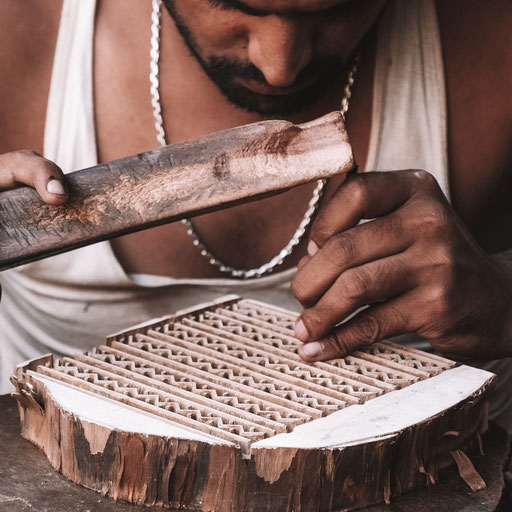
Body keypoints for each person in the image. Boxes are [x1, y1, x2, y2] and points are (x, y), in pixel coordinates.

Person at [0, 0, 511, 429]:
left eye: (339, 8)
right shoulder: (18, 30)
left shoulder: (493, 40)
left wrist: (504, 306)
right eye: (235, 6)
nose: (279, 65)